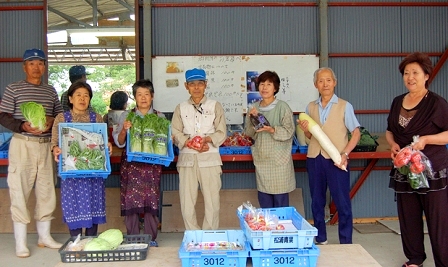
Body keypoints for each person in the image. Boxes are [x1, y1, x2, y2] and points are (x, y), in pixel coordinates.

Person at [386, 52, 448, 267]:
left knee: (438, 220)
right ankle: (415, 258)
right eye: (406, 73)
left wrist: (427, 139)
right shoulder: (397, 102)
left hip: (432, 170)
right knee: (409, 216)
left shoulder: (437, 103)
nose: (410, 77)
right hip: (405, 171)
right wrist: (393, 144)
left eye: (415, 73)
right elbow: (389, 131)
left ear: (426, 76)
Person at [0, 48, 64, 258]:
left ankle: (44, 236)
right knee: (19, 189)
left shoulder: (50, 90)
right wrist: (22, 126)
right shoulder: (14, 88)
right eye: (32, 63)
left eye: (40, 63)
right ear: (24, 66)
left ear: (45, 67)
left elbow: (59, 116)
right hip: (23, 144)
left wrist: (51, 121)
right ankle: (21, 242)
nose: (37, 67)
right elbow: (3, 116)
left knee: (47, 189)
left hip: (45, 145)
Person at [297, 67, 361, 245]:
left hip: (337, 160)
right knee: (316, 200)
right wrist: (305, 131)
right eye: (320, 81)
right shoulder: (310, 107)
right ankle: (321, 237)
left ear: (335, 82)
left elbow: (356, 133)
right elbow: (311, 136)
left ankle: (346, 241)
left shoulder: (344, 106)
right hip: (315, 159)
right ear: (315, 84)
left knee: (342, 202)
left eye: (328, 80)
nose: (325, 84)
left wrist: (345, 153)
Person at [51, 81, 112, 238]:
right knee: (73, 205)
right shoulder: (61, 118)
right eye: (78, 95)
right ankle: (75, 242)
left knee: (93, 203)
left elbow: (102, 141)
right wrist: (55, 149)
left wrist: (108, 146)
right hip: (71, 172)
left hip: (93, 172)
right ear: (70, 99)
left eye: (86, 95)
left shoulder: (96, 118)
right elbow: (54, 143)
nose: (82, 99)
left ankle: (91, 241)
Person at [171, 68, 227, 230]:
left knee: (212, 202)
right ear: (186, 86)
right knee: (187, 202)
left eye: (200, 84)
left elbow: (222, 132)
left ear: (206, 85)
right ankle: (193, 236)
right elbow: (175, 131)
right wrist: (190, 142)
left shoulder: (215, 106)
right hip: (187, 160)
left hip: (210, 159)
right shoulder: (180, 108)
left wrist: (206, 140)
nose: (196, 87)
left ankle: (209, 237)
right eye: (192, 84)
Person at [113, 80, 164, 247]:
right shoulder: (125, 116)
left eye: (146, 94)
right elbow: (119, 142)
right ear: (135, 97)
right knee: (131, 201)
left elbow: (164, 144)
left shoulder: (159, 116)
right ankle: (133, 238)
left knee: (151, 201)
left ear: (153, 96)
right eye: (139, 95)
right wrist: (124, 130)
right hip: (131, 166)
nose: (143, 98)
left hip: (152, 166)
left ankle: (151, 238)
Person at [243, 71, 295, 208]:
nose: (264, 88)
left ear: (275, 88)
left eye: (269, 84)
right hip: (262, 161)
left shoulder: (282, 107)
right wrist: (251, 118)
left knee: (280, 204)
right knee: (265, 204)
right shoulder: (253, 108)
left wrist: (272, 129)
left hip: (279, 162)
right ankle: (268, 230)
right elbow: (249, 133)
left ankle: (281, 230)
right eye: (261, 84)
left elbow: (289, 132)